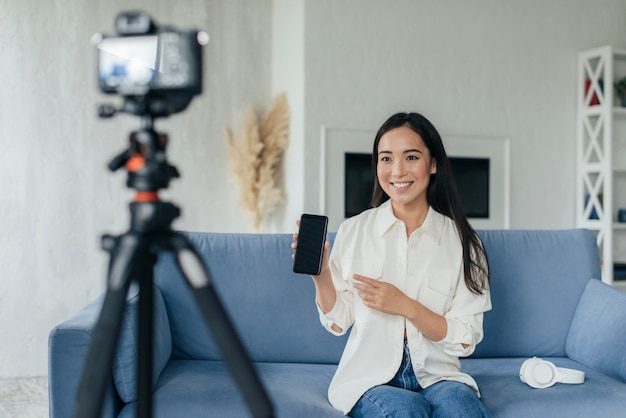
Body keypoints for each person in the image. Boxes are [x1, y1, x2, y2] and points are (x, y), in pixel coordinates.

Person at [292, 112, 492, 417]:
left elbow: (465, 339)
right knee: (405, 411)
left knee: (462, 411)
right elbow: (339, 321)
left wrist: (406, 306)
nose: (397, 170)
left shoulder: (465, 243)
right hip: (370, 378)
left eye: (411, 157)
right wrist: (321, 277)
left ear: (433, 163)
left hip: (440, 377)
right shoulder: (354, 231)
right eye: (386, 159)